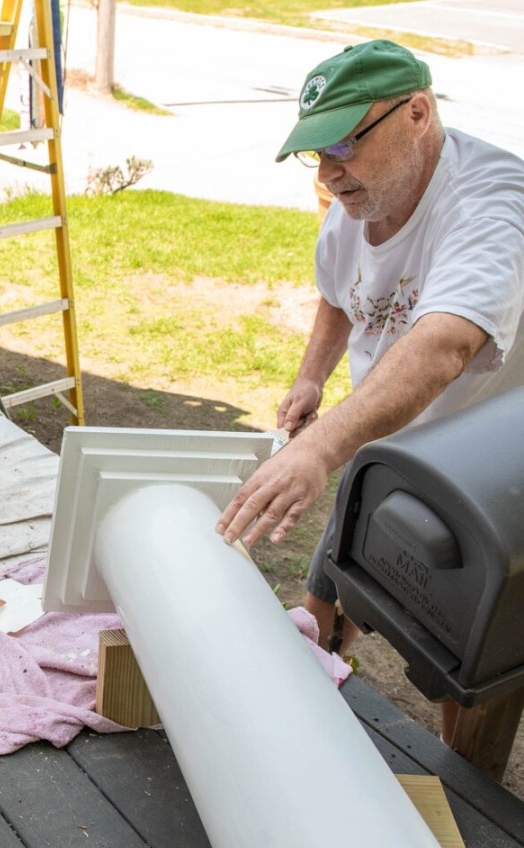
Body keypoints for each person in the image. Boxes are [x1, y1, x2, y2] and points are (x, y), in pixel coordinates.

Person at [215, 39, 524, 736]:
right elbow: (338, 293)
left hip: (488, 476)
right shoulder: (356, 201)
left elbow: (446, 345)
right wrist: (311, 379)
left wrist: (318, 449)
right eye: (317, 151)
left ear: (417, 113)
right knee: (323, 604)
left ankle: (465, 789)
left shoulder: (492, 203)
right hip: (388, 444)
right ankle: (304, 718)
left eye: (346, 143)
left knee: (457, 667)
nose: (329, 171)